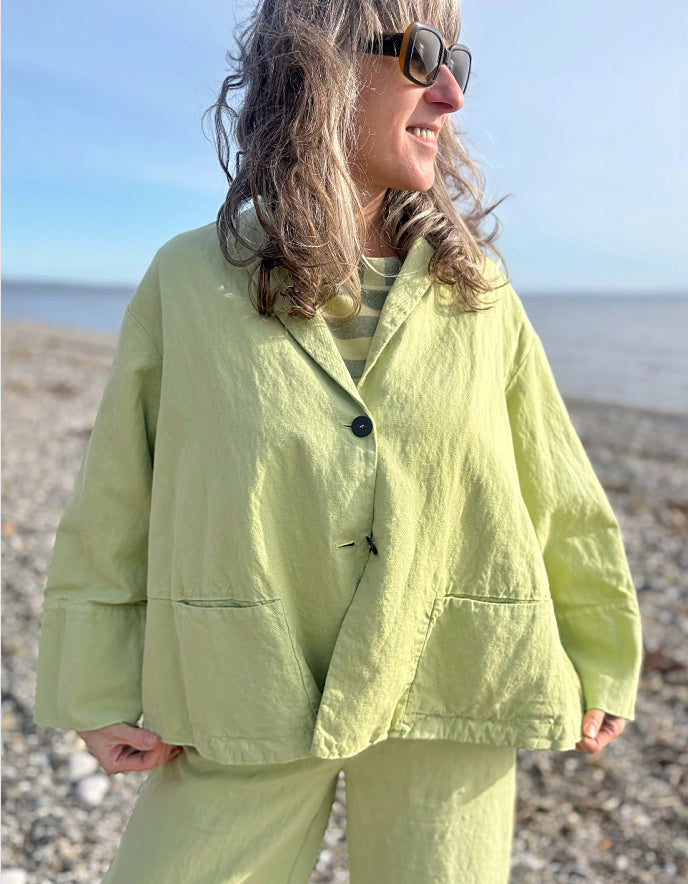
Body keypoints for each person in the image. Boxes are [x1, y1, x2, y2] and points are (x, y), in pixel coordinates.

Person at [34, 0, 643, 881]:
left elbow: (556, 487)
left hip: (453, 663)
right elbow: (120, 492)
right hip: (243, 670)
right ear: (316, 68)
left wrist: (602, 651)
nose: (450, 94)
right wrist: (95, 685)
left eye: (460, 64)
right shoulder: (189, 279)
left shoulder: (479, 292)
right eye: (422, 54)